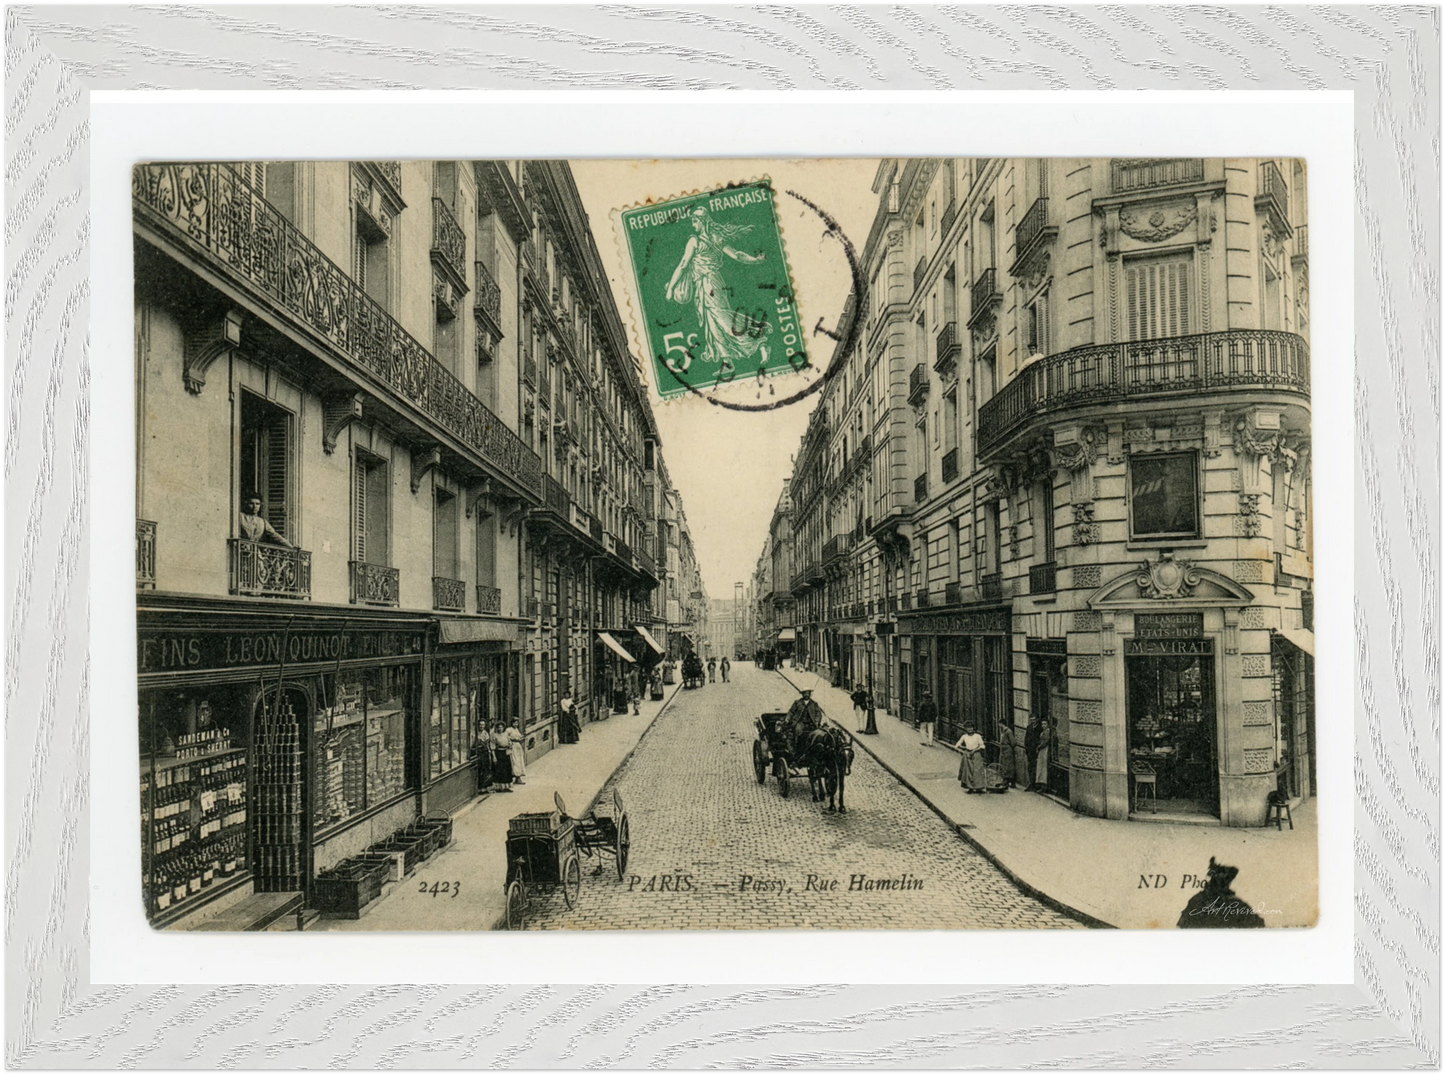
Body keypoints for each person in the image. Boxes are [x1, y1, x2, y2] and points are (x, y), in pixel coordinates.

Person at [663, 204, 773, 374]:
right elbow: (737, 255)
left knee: (722, 319)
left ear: (702, 222)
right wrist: (755, 260)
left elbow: (684, 264)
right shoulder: (715, 238)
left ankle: (760, 342)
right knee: (712, 323)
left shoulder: (696, 240)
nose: (693, 225)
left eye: (695, 221)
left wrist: (671, 288)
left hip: (709, 283)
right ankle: (727, 362)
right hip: (706, 284)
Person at [955, 723, 988, 792]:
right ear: (965, 729)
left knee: (977, 770)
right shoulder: (964, 736)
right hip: (968, 754)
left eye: (971, 727)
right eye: (968, 728)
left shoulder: (977, 736)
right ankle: (970, 788)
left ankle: (979, 787)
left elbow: (982, 746)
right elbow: (957, 745)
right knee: (968, 771)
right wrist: (964, 749)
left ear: (973, 728)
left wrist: (974, 750)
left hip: (976, 754)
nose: (970, 729)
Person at [489, 722, 514, 791]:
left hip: (506, 753)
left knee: (507, 769)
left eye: (501, 727)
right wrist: (494, 757)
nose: (500, 729)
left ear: (503, 728)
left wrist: (510, 744)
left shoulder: (505, 734)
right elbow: (492, 746)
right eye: (499, 727)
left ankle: (506, 787)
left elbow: (509, 741)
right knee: (499, 770)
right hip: (499, 753)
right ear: (497, 728)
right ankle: (499, 787)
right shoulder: (494, 735)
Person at [1024, 715, 1046, 791]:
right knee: (1030, 767)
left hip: (1036, 750)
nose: (1032, 721)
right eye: (1031, 720)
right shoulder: (1029, 727)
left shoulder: (1040, 728)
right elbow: (1026, 738)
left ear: (1037, 720)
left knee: (1037, 768)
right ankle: (1031, 783)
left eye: (1033, 720)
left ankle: (1036, 785)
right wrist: (1026, 748)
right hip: (1030, 751)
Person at [997, 721, 1018, 789]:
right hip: (1003, 750)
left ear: (1002, 724)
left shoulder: (1008, 731)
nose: (999, 725)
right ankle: (1007, 780)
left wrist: (1009, 748)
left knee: (1009, 766)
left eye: (999, 724)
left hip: (1008, 750)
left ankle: (1010, 781)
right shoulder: (1003, 731)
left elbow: (1013, 742)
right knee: (1005, 765)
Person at [505, 720, 526, 786]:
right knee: (514, 761)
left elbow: (519, 737)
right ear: (511, 723)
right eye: (514, 723)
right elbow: (506, 737)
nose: (516, 724)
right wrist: (510, 741)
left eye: (517, 723)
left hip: (518, 746)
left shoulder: (516, 729)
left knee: (519, 761)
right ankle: (516, 776)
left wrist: (521, 738)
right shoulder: (509, 730)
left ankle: (518, 777)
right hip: (513, 746)